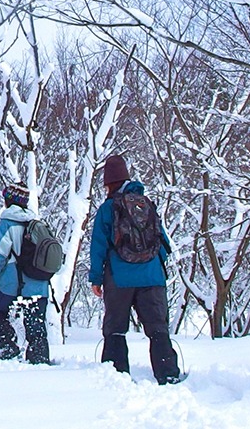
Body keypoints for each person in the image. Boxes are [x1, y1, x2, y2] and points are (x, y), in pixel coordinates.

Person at [89, 154, 181, 384]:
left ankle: (116, 374)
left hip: (119, 278)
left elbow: (98, 246)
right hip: (152, 277)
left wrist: (96, 278)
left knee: (116, 328)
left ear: (108, 182)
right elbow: (163, 242)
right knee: (157, 328)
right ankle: (167, 372)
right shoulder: (145, 204)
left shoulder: (107, 209)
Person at [0, 182, 51, 364]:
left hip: (13, 283)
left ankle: (8, 347)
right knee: (35, 321)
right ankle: (39, 357)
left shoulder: (7, 224)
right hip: (39, 283)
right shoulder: (37, 224)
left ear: (8, 200)